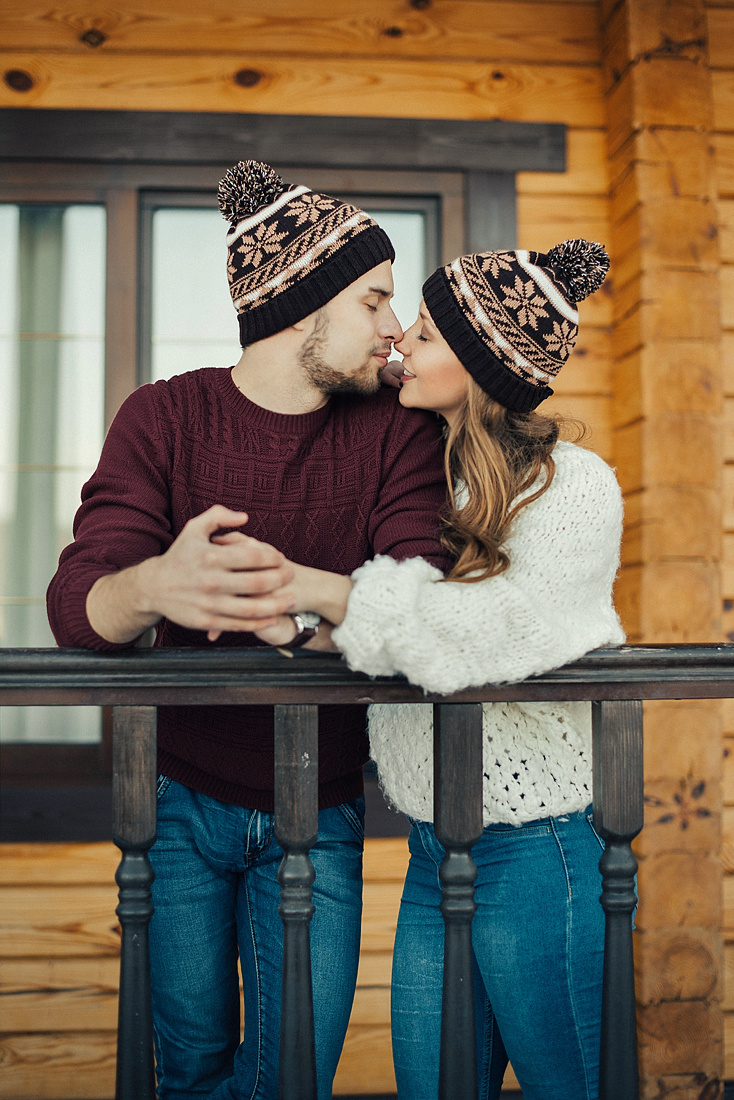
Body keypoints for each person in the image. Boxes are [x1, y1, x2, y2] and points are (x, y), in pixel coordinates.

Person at [46, 160, 453, 1100]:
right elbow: (79, 607)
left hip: (326, 804)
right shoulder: (162, 416)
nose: (396, 329)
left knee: (290, 1079)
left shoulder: (397, 429)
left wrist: (298, 612)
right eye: (376, 299)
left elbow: (421, 587)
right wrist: (154, 584)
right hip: (176, 803)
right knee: (185, 1069)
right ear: (300, 306)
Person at [250, 240, 625, 1100]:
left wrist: (326, 592)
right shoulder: (419, 472)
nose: (398, 344)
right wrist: (299, 629)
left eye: (423, 333)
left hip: (539, 854)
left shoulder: (574, 486)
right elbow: (398, 632)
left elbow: (487, 633)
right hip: (431, 846)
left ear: (484, 360)